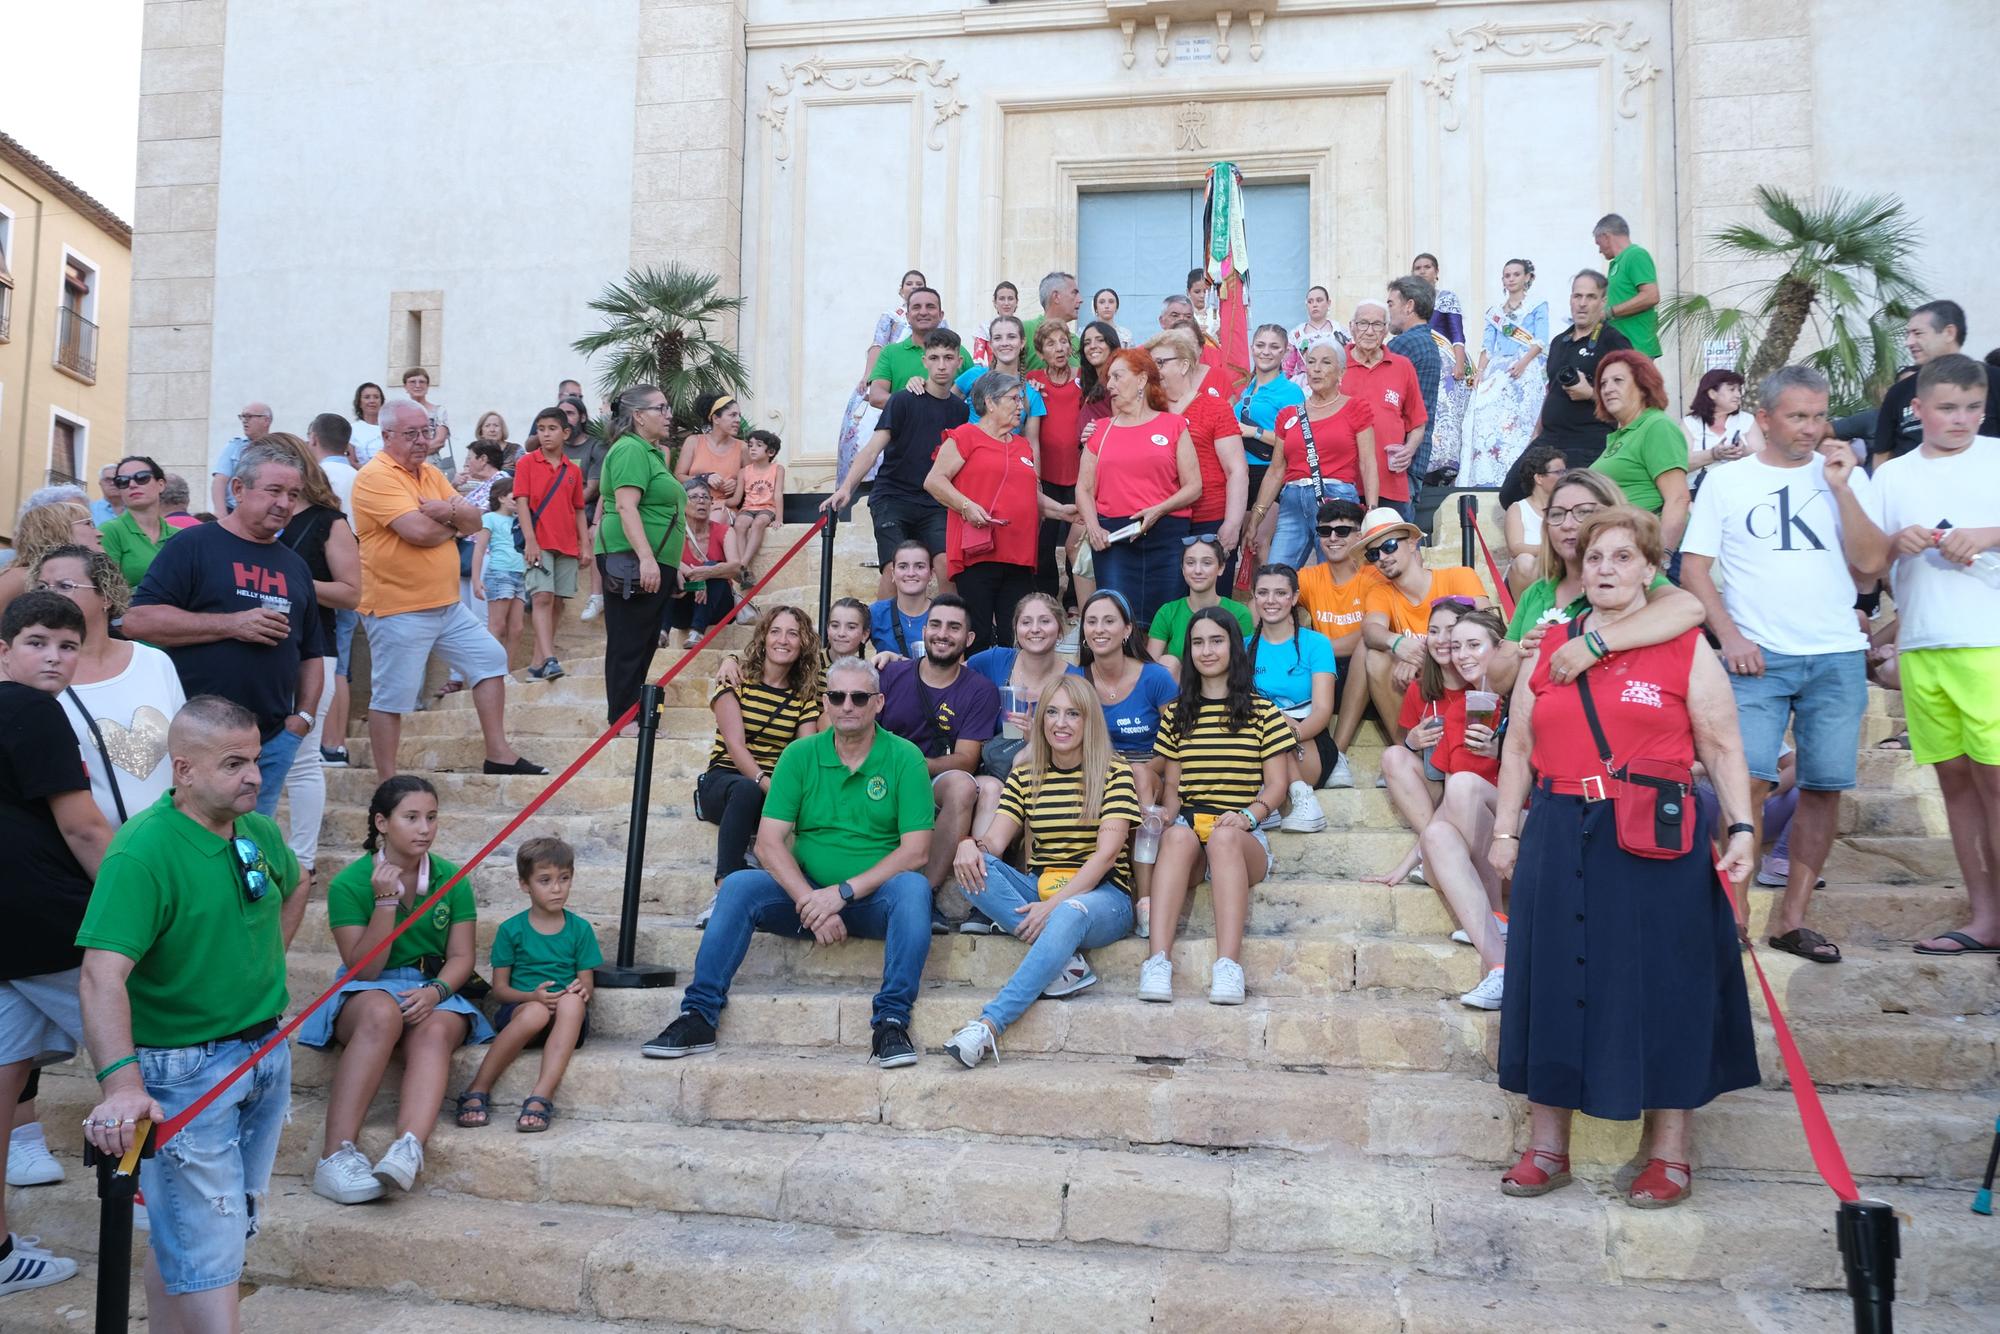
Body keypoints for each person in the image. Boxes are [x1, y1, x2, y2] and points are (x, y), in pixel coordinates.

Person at [1486, 507, 1760, 1208]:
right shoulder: (1550, 644)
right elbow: (1517, 746)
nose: (1606, 569)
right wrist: (1505, 833)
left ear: (1647, 569)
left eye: (1622, 557)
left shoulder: (1683, 646)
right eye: (1597, 557)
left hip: (1649, 832)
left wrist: (1741, 830)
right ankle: (1548, 1147)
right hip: (1555, 821)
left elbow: (1724, 746)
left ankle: (1670, 1154)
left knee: (1666, 984)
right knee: (1550, 979)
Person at [75, 695, 304, 1322]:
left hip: (261, 1052)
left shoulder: (256, 830)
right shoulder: (141, 853)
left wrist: (261, 972)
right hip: (182, 1072)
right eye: (234, 763)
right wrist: (121, 1086)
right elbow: (100, 976)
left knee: (205, 1230)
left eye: (256, 759)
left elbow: (295, 884)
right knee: (210, 1244)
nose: (254, 775)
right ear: (184, 770)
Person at [1680, 366, 1883, 963]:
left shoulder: (1845, 475)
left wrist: (1843, 489)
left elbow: (1871, 566)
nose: (1812, 428)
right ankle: (1734, 915)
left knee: (1824, 786)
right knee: (1747, 783)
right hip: (1757, 660)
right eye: (1798, 416)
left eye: (1820, 415)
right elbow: (1694, 569)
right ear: (1764, 419)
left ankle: (1792, 919)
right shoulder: (1727, 481)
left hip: (1837, 654)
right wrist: (1730, 636)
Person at [641, 656, 934, 1067]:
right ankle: (698, 1015)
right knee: (740, 886)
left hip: (872, 900)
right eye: (837, 696)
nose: (847, 705)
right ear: (826, 703)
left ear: (879, 702)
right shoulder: (799, 755)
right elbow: (768, 843)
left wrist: (842, 894)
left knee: (914, 889)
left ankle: (890, 1020)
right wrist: (812, 902)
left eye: (859, 697)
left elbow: (916, 851)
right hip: (808, 898)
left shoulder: (905, 758)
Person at [1852, 354, 2000, 957]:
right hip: (1922, 645)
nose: (1961, 420)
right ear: (1918, 411)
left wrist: (1989, 535)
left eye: (1973, 408)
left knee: (1995, 783)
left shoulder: (1996, 458)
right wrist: (1893, 543)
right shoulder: (1892, 477)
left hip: (1988, 641)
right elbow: (1866, 562)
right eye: (1947, 408)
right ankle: (1984, 915)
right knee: (1956, 785)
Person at [305, 775, 492, 1205]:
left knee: (437, 1031)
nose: (425, 828)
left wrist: (437, 992)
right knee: (381, 1013)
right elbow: (365, 968)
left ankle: (407, 1147)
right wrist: (386, 901)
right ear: (382, 823)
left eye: (432, 817)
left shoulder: (451, 878)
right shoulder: (350, 884)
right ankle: (333, 1156)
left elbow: (462, 957)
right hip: (370, 986)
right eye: (411, 818)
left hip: (432, 987)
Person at [0, 592, 115, 1294]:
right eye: (38, 641)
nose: (54, 657)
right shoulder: (32, 709)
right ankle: (174, 1216)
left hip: (7, 930)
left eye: (67, 647)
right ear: (5, 650)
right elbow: (84, 829)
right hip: (48, 924)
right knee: (153, 1060)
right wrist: (135, 916)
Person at [943, 673, 1140, 1067]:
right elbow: (995, 843)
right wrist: (968, 844)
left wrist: (1053, 908)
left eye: (1072, 714)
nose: (1060, 723)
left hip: (1105, 897)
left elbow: (1104, 857)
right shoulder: (1026, 775)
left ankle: (987, 1026)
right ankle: (1066, 963)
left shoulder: (1115, 773)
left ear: (1089, 722)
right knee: (972, 870)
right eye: (1052, 712)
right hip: (1043, 888)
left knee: (1069, 910)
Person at [123, 443, 326, 818]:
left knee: (251, 847)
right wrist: (232, 624)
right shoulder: (194, 544)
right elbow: (139, 620)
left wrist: (303, 720)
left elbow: (312, 653)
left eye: (293, 495)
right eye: (274, 491)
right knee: (192, 840)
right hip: (198, 744)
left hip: (270, 742)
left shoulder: (295, 567)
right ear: (237, 490)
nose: (284, 503)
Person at [350, 402, 543, 774]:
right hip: (398, 607)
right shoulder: (376, 476)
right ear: (386, 436)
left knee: (490, 661)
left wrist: (448, 515)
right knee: (392, 698)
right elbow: (419, 532)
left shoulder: (428, 473)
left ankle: (498, 754)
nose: (423, 441)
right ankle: (387, 781)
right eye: (412, 434)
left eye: (427, 430)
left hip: (446, 604)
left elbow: (476, 518)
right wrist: (454, 518)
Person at [1141, 608, 1292, 1005]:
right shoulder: (1176, 714)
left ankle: (1228, 967)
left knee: (1224, 838)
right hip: (1191, 829)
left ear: (1233, 647)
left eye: (1216, 641)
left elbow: (1278, 785)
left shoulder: (1263, 712)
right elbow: (1172, 785)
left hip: (1243, 834)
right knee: (1174, 837)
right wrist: (1168, 815)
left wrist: (1248, 816)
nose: (1206, 651)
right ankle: (1157, 962)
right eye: (1197, 642)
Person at [257, 432, 361, 874]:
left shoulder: (328, 522)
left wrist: (287, 584)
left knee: (302, 759)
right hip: (257, 652)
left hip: (313, 649)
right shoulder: (250, 523)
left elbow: (352, 592)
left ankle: (302, 858)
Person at [454, 836, 600, 1133]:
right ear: (525, 885)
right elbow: (500, 990)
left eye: (564, 879)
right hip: (522, 1013)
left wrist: (581, 990)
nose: (557, 888)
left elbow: (586, 982)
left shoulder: (580, 929)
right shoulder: (511, 930)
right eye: (545, 880)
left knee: (573, 1002)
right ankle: (478, 1088)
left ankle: (540, 1096)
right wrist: (533, 996)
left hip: (565, 1021)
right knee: (535, 1012)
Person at [877, 596, 1002, 927]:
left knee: (964, 785)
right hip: (881, 775)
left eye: (954, 627)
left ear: (969, 640)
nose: (943, 633)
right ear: (924, 630)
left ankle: (924, 894)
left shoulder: (980, 690)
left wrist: (913, 765)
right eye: (935, 624)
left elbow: (967, 759)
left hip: (932, 778)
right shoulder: (890, 674)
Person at [1416, 608, 1512, 1008]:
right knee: (1437, 833)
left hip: (1530, 825)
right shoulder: (1461, 709)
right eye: (1457, 647)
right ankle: (1500, 968)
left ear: (1501, 649)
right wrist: (1412, 859)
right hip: (1486, 829)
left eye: (1474, 645)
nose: (1462, 655)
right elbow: (1451, 798)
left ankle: (1498, 912)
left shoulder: (1525, 696)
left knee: (1464, 784)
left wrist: (1503, 750)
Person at [829, 328, 972, 595]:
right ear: (924, 361)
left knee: (945, 566)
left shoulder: (960, 410)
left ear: (958, 362)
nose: (941, 365)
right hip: (893, 497)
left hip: (935, 502)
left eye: (948, 357)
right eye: (935, 357)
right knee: (896, 568)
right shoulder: (903, 400)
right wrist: (846, 487)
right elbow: (872, 450)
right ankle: (884, 636)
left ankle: (949, 632)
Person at [1071, 589, 1177, 935]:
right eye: (1091, 621)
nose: (1099, 629)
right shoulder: (1076, 678)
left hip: (1151, 769)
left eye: (1109, 621)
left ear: (1127, 630)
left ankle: (1144, 900)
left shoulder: (1155, 677)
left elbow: (1174, 742)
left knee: (1138, 774)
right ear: (1083, 631)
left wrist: (1143, 771)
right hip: (1095, 772)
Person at [698, 606, 824, 888]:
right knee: (746, 789)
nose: (783, 640)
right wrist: (767, 784)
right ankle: (724, 885)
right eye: (775, 631)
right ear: (764, 637)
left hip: (772, 789)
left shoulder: (803, 696)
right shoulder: (736, 678)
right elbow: (734, 745)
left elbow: (804, 749)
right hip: (726, 781)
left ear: (804, 642)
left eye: (793, 634)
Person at [1075, 348, 1201, 630]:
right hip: (1114, 538)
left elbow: (1194, 486)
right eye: (1109, 379)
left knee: (1166, 622)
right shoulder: (1101, 430)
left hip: (1166, 533)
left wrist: (1159, 510)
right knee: (1118, 620)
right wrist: (1094, 528)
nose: (1109, 386)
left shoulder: (1174, 425)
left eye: (1117, 377)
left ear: (1142, 379)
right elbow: (1083, 488)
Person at [594, 385, 689, 736]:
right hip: (631, 559)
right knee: (629, 638)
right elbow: (625, 506)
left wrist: (672, 564)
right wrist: (648, 558)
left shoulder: (650, 452)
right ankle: (622, 718)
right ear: (638, 416)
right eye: (660, 408)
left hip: (652, 559)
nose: (668, 415)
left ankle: (632, 713)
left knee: (645, 638)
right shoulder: (630, 450)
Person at [925, 372, 1044, 651]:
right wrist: (967, 507)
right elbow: (934, 480)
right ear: (990, 403)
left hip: (1020, 555)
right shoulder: (965, 435)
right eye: (1014, 399)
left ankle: (1008, 692)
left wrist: (1064, 510)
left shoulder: (1023, 445)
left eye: (1022, 399)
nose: (1021, 406)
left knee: (1014, 636)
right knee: (977, 633)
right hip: (979, 552)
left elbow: (1030, 497)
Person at [1356, 508, 1487, 741]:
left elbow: (1489, 628)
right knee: (1374, 655)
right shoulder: (1380, 592)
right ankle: (1406, 748)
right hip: (1422, 692)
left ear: (1412, 542)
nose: (1383, 558)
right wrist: (1398, 643)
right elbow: (1371, 629)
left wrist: (1425, 656)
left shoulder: (1458, 576)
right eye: (1373, 554)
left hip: (1465, 684)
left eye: (1389, 546)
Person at [1370, 597, 1473, 888]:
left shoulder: (1480, 686)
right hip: (1434, 782)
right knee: (1393, 756)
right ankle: (1435, 847)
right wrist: (1412, 741)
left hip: (1469, 790)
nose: (1441, 640)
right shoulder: (1419, 689)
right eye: (1434, 630)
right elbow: (1404, 748)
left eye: (1450, 630)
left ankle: (1432, 850)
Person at [1247, 563, 1339, 832]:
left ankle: (1303, 800)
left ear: (1295, 597)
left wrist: (1289, 735)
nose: (1271, 600)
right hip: (1258, 743)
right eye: (1263, 593)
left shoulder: (1316, 644)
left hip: (1306, 740)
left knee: (1271, 726)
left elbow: (1322, 711)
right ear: (1254, 596)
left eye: (1280, 593)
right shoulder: (1242, 646)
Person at [1149, 327, 1247, 573]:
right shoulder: (1147, 412)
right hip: (1163, 522)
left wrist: (1233, 523)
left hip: (1210, 519)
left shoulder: (1215, 408)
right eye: (1151, 364)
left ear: (1183, 365)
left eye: (1160, 362)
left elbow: (1236, 469)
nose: (1154, 370)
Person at [1295, 496, 1378, 781]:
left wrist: (1316, 648)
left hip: (1364, 672)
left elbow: (1371, 633)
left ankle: (1336, 754)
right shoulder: (1309, 576)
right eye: (1324, 531)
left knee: (1368, 647)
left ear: (1359, 535)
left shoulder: (1375, 576)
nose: (1332, 538)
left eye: (1342, 531)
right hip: (1322, 674)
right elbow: (1269, 596)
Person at [1871, 299, 2000, 464]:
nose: (1908, 342)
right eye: (1908, 334)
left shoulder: (1994, 380)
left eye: (1918, 333)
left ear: (1949, 333)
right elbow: (1882, 454)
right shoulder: (1899, 392)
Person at [515, 405, 589, 681]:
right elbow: (521, 503)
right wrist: (531, 541)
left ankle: (537, 663)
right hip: (540, 541)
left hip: (566, 542)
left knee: (558, 602)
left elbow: (579, 508)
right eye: (541, 429)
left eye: (552, 429)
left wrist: (586, 545)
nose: (545, 435)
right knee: (542, 597)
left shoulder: (573, 470)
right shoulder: (526, 463)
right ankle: (549, 658)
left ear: (565, 433)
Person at [1459, 259, 1549, 488]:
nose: (1511, 279)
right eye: (1507, 275)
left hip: (1525, 370)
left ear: (1527, 277)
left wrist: (1523, 363)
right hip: (1498, 371)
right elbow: (1487, 346)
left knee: (1519, 423)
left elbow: (1540, 340)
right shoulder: (1495, 313)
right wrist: (1479, 372)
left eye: (1516, 274)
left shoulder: (1538, 305)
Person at [1593, 351, 1692, 554]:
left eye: (1618, 381)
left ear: (1643, 387)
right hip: (1616, 547)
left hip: (1645, 550)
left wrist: (1661, 557)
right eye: (1603, 384)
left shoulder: (1657, 426)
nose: (1608, 389)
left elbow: (1678, 499)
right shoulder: (1622, 435)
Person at [1533, 270, 1633, 469]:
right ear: (1571, 299)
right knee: (1509, 492)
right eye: (1577, 296)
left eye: (1591, 297)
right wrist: (1535, 435)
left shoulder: (1613, 340)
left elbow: (1632, 396)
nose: (1582, 303)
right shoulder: (1559, 342)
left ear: (1603, 301)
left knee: (1568, 492)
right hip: (1549, 439)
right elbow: (1551, 391)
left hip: (1588, 439)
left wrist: (1590, 393)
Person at [835, 268, 925, 487]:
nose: (914, 287)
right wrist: (869, 375)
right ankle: (864, 480)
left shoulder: (935, 317)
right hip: (887, 375)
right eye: (909, 283)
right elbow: (878, 345)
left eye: (919, 283)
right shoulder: (890, 316)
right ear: (901, 290)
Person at [1343, 302, 1427, 521]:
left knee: (1398, 550)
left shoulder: (1403, 366)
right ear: (1352, 327)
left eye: (1377, 324)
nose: (1369, 331)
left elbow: (1417, 422)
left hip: (1391, 482)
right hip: (1344, 482)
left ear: (1386, 330)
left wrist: (1409, 449)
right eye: (1363, 323)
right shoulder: (1336, 363)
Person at [1025, 320, 1086, 606]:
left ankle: (1074, 598)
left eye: (1063, 341)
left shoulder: (1082, 378)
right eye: (1051, 343)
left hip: (1078, 474)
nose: (1059, 348)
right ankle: (1047, 596)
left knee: (1077, 540)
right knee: (1044, 541)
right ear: (1041, 351)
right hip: (1046, 474)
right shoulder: (1034, 380)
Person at [1235, 323, 1308, 543]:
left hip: (1271, 472)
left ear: (1284, 351)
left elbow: (1297, 440)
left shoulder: (1291, 392)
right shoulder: (1247, 388)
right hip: (1241, 472)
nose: (1266, 351)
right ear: (1252, 348)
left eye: (1274, 346)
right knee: (1243, 545)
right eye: (1260, 345)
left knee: (1259, 544)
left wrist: (1253, 431)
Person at [1146, 533, 1253, 678]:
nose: (1197, 570)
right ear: (1183, 569)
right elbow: (1149, 669)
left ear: (1221, 568)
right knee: (1168, 662)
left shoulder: (1239, 612)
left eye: (1206, 563)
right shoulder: (1168, 612)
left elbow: (1245, 665)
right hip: (1181, 693)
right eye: (1190, 563)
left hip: (1226, 690)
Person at [1414, 253, 1471, 484]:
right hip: (1421, 364)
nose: (1422, 271)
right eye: (1417, 267)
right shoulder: (1411, 304)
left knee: (1446, 414)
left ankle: (1447, 464)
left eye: (1427, 267)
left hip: (1446, 364)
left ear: (1436, 272)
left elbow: (1457, 333)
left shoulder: (1446, 298)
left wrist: (1459, 363)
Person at [665, 477, 743, 647]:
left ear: (711, 503)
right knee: (669, 571)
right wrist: (696, 577)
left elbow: (736, 568)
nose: (701, 501)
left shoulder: (725, 531)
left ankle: (697, 631)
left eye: (705, 497)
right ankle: (662, 631)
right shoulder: (674, 532)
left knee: (712, 567)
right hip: (684, 605)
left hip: (719, 608)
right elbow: (666, 558)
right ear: (683, 503)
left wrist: (707, 573)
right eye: (694, 497)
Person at [1385, 276, 1443, 503]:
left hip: (1397, 458)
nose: (1388, 311)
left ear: (1409, 306)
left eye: (1391, 304)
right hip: (1414, 456)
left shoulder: (1403, 345)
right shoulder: (1426, 342)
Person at [868, 286, 973, 407]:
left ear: (941, 315)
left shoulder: (959, 352)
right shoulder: (890, 352)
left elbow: (975, 399)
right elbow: (876, 397)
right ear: (907, 316)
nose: (923, 312)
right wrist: (916, 405)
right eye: (916, 307)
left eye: (930, 306)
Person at [0, 501, 102, 624]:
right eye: (89, 524)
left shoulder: (86, 575)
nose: (100, 533)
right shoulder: (21, 577)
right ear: (59, 530)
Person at [956, 315, 1046, 453]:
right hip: (969, 460)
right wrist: (920, 383)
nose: (1005, 343)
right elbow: (944, 406)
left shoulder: (1031, 392)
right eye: (998, 338)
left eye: (1011, 337)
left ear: (1022, 342)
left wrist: (1036, 475)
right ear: (991, 344)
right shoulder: (973, 375)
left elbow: (1032, 444)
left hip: (1007, 464)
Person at [561, 396, 611, 622]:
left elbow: (592, 488)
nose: (565, 420)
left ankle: (595, 596)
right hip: (557, 509)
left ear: (582, 416)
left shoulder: (595, 445)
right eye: (561, 415)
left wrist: (564, 510)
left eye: (570, 414)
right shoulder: (555, 446)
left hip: (584, 507)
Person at [97, 454, 178, 588]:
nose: (132, 485)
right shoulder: (110, 531)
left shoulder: (180, 535)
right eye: (122, 481)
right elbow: (107, 591)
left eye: (142, 478)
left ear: (161, 484)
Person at [473, 477, 526, 667]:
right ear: (502, 497)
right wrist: (476, 580)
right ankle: (491, 672)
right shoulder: (489, 518)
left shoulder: (521, 520)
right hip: (499, 573)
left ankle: (506, 672)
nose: (519, 498)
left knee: (517, 628)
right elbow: (479, 549)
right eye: (515, 494)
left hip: (521, 574)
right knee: (497, 625)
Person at [1593, 212, 1661, 358]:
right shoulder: (1618, 263)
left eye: (1598, 244)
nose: (1599, 251)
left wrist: (1610, 312)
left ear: (1606, 236)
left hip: (1637, 347)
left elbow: (1651, 295)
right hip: (1620, 347)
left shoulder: (1636, 255)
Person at [1503, 445, 1567, 595]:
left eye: (1565, 471)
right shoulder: (1519, 508)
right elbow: (1515, 548)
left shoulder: (1568, 508)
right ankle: (1524, 616)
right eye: (1558, 472)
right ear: (1539, 478)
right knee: (1524, 560)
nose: (1564, 477)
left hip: (1560, 571)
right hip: (1526, 575)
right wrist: (1552, 550)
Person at [1681, 369, 1758, 480]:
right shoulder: (1690, 423)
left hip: (1740, 488)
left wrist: (1744, 451)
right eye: (1732, 389)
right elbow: (1680, 462)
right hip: (1700, 492)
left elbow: (1764, 457)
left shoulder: (1747, 420)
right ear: (1712, 393)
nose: (1738, 395)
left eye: (1739, 390)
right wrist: (1713, 454)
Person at [675, 392, 747, 510]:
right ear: (716, 418)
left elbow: (753, 480)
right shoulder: (693, 441)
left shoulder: (742, 447)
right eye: (733, 415)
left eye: (739, 415)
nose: (738, 420)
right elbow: (678, 477)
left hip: (724, 509)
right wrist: (704, 478)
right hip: (693, 507)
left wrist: (737, 485)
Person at [734, 428, 785, 588]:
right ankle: (746, 570)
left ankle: (742, 563)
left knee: (759, 523)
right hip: (748, 507)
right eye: (750, 445)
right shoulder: (744, 472)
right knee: (740, 525)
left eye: (758, 445)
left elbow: (778, 494)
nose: (752, 448)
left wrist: (779, 518)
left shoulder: (777, 469)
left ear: (770, 451)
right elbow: (737, 498)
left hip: (767, 508)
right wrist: (722, 502)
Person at [870, 540, 935, 657]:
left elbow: (957, 666)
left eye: (919, 566)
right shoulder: (876, 613)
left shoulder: (944, 613)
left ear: (931, 574)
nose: (911, 573)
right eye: (903, 566)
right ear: (893, 574)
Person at [211, 400, 272, 513]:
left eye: (249, 416)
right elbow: (220, 481)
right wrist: (220, 514)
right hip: (234, 511)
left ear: (266, 420)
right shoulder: (234, 447)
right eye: (243, 417)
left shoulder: (277, 448)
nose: (244, 421)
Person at [1021, 271, 1083, 372]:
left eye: (1063, 342)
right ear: (1056, 297)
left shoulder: (1076, 340)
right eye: (1074, 293)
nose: (1080, 299)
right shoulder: (1025, 330)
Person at [1285, 284, 1346, 380]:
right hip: (1304, 384)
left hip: (1334, 382)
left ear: (1328, 303)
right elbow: (1287, 367)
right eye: (1310, 302)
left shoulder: (1340, 331)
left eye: (1319, 300)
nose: (1314, 305)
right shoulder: (1296, 334)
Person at [402, 368, 455, 477]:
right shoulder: (399, 413)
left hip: (431, 465)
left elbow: (439, 441)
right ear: (405, 387)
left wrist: (411, 453)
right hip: (405, 465)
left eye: (422, 382)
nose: (417, 385)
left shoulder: (439, 411)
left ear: (427, 387)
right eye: (412, 382)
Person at [972, 280, 1018, 367]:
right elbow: (977, 362)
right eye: (1001, 299)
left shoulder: (1024, 328)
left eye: (1010, 298)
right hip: (993, 378)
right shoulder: (985, 328)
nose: (1006, 303)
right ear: (995, 303)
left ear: (1016, 302)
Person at [350, 382, 386, 465]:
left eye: (376, 397)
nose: (372, 401)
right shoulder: (352, 430)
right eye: (367, 397)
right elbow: (352, 461)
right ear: (359, 403)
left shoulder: (391, 428)